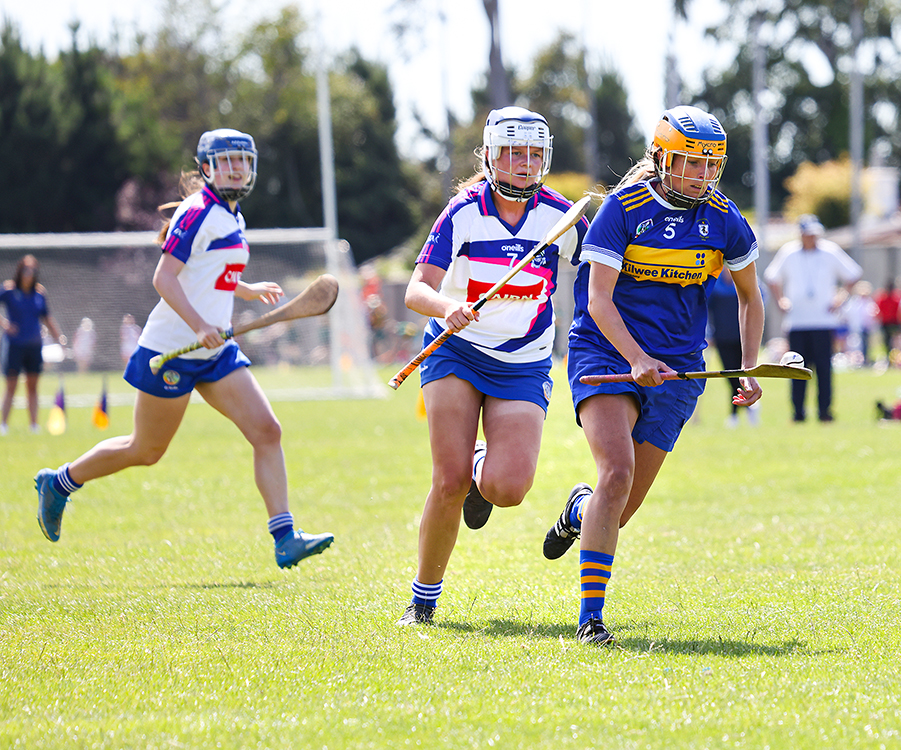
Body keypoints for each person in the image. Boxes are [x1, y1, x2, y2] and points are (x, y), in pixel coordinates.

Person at [33, 129, 334, 569]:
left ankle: (285, 538)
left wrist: (244, 290)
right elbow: (165, 277)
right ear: (207, 168)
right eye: (227, 161)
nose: (237, 168)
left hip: (214, 353)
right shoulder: (196, 212)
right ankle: (59, 483)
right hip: (172, 349)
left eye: (243, 161)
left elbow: (210, 271)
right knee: (146, 451)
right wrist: (199, 324)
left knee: (267, 431)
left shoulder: (233, 217)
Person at [540, 106, 764, 645]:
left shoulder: (725, 219)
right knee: (615, 473)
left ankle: (579, 509)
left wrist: (748, 367)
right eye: (689, 163)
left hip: (681, 366)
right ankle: (590, 621)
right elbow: (596, 300)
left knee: (620, 507)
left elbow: (750, 298)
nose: (701, 175)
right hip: (607, 350)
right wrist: (636, 359)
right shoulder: (625, 209)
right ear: (661, 158)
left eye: (710, 165)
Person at [395, 107, 587, 627]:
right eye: (513, 153)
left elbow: (603, 269)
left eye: (533, 154)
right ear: (489, 156)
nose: (524, 164)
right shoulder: (461, 213)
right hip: (455, 351)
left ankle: (485, 469)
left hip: (523, 361)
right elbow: (417, 289)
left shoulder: (563, 216)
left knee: (508, 489)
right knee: (448, 480)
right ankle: (424, 599)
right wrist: (445, 308)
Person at [764, 214, 862, 422]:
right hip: (797, 322)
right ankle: (798, 412)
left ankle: (824, 411)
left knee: (824, 369)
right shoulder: (788, 252)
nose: (812, 238)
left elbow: (853, 274)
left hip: (823, 321)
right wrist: (781, 300)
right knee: (796, 370)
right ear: (801, 234)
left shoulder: (830, 251)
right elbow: (772, 277)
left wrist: (840, 297)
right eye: (808, 234)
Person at [1, 254, 65, 436]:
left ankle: (34, 425)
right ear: (19, 271)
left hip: (34, 345)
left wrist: (58, 337)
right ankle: (4, 425)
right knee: (11, 385)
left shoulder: (39, 293)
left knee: (32, 385)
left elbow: (47, 317)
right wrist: (5, 325)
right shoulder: (9, 290)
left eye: (32, 270)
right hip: (14, 345)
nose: (29, 274)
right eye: (26, 270)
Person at [707, 270, 759, 426]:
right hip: (722, 338)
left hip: (742, 339)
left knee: (741, 375)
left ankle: (736, 414)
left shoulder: (747, 282)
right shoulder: (714, 286)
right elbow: (706, 311)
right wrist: (708, 334)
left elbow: (757, 301)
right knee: (731, 377)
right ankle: (745, 410)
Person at [873, 277, 901, 365]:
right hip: (886, 323)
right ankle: (890, 359)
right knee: (887, 342)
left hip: (894, 323)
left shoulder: (896, 298)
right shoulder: (883, 298)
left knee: (895, 343)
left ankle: (895, 359)